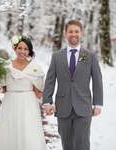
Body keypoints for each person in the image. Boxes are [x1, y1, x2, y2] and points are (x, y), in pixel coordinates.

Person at [42, 20, 103, 150]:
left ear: (81, 34)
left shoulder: (90, 56)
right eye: (70, 31)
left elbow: (97, 80)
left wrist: (98, 103)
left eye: (76, 31)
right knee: (67, 144)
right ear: (65, 34)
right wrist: (47, 101)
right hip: (63, 107)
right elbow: (50, 80)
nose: (73, 34)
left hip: (83, 107)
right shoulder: (57, 56)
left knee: (82, 144)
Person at [0, 35, 47, 150]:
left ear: (30, 51)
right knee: (9, 131)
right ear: (15, 49)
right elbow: (2, 88)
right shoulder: (6, 66)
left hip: (28, 105)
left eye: (26, 49)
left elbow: (39, 94)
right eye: (20, 48)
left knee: (28, 133)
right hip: (10, 103)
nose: (22, 51)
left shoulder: (35, 68)